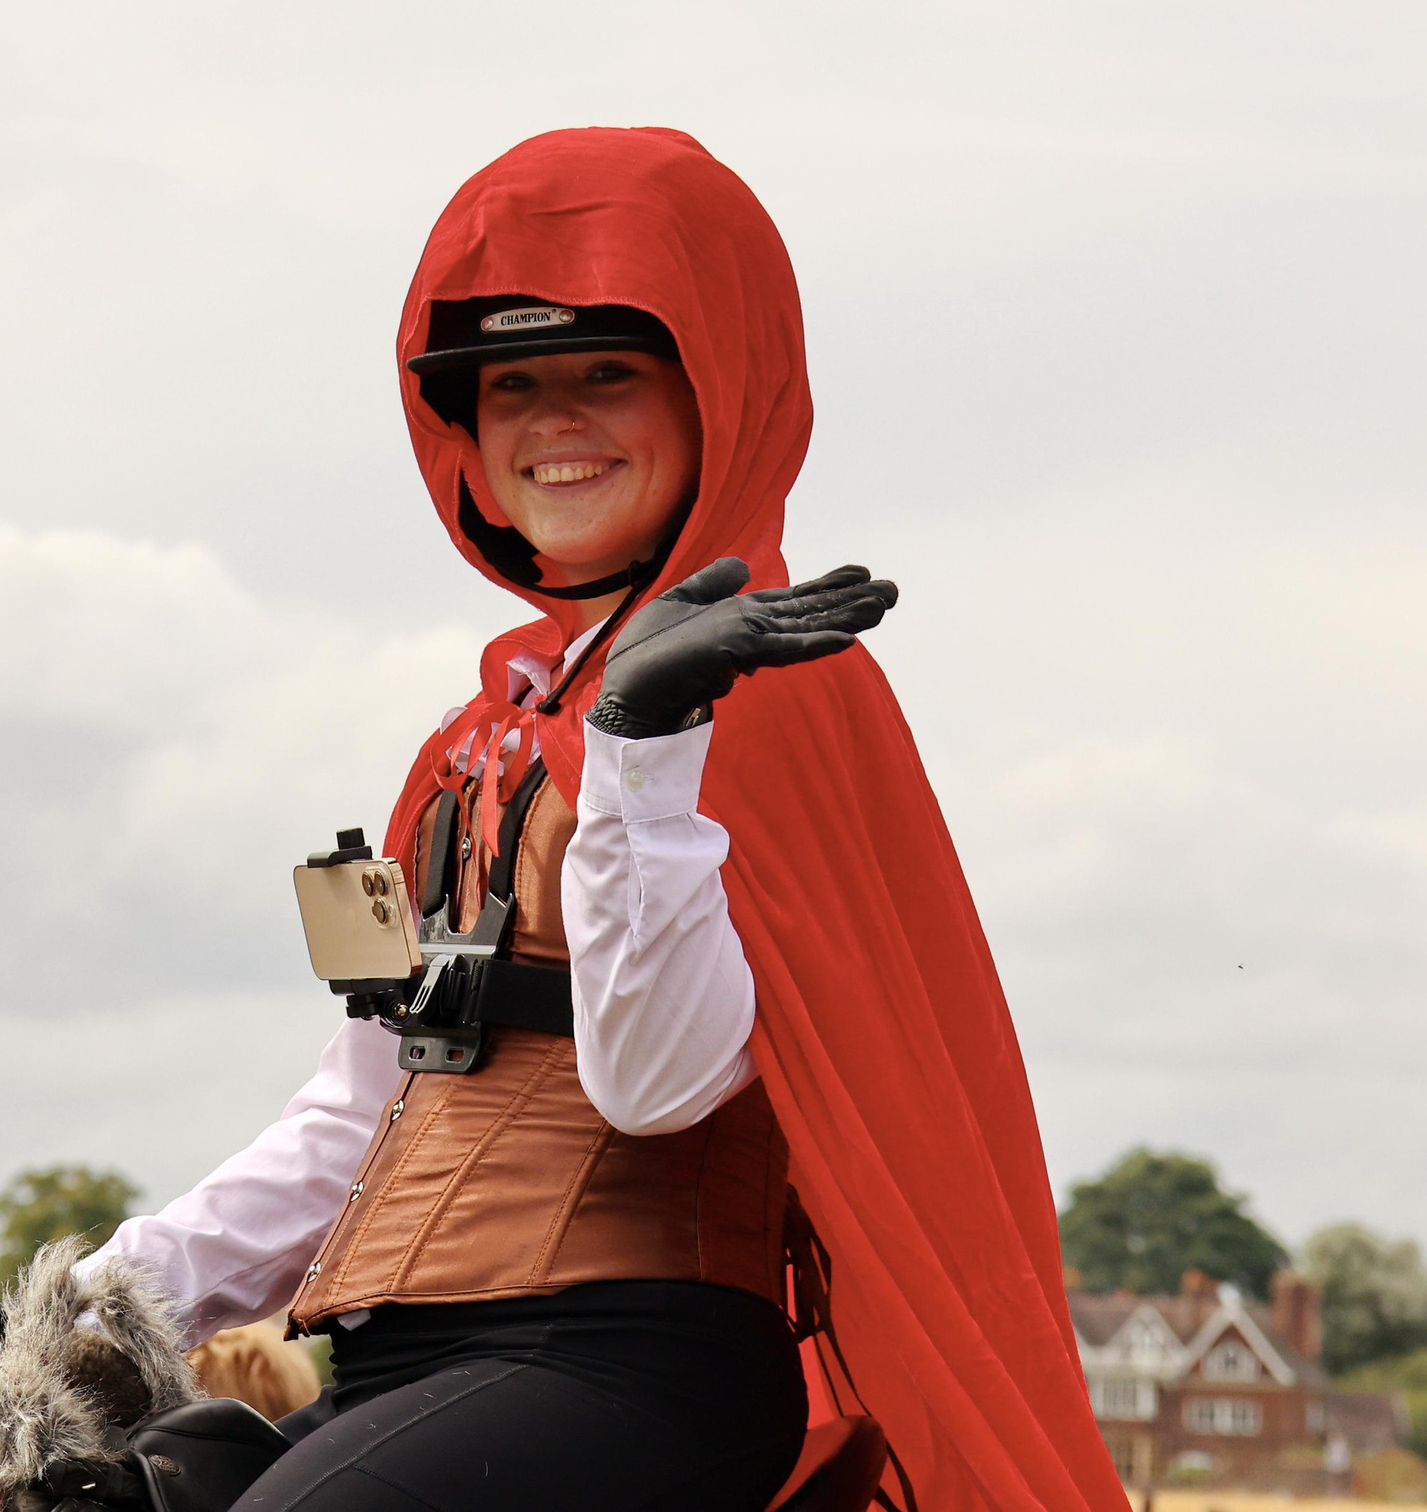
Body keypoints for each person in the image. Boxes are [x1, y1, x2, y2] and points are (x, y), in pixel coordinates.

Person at [76, 128, 1131, 1512]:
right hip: (404, 1364)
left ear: (718, 394)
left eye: (608, 375)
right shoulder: (473, 743)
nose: (551, 422)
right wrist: (91, 1302)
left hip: (631, 1364)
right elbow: (360, 1111)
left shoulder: (772, 694)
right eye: (512, 386)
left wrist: (643, 748)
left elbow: (657, 1087)